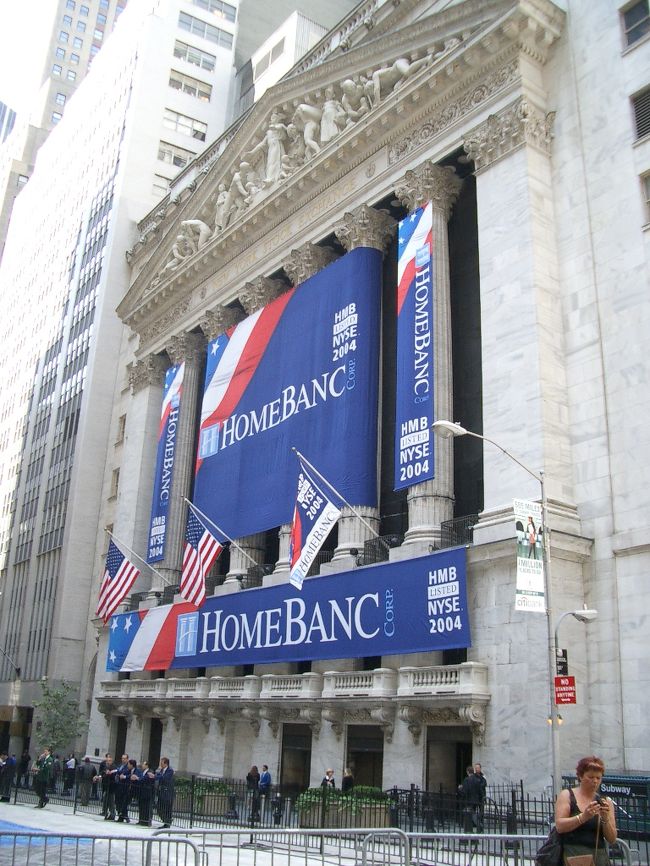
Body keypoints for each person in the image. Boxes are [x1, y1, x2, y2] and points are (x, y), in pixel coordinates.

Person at [555, 756, 617, 866]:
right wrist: (583, 817)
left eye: (598, 778)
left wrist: (605, 818)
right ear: (580, 776)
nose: (595, 781)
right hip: (574, 856)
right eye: (590, 777)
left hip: (598, 857)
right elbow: (559, 826)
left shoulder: (605, 801)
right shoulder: (567, 795)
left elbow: (612, 839)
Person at [459, 765, 483, 832]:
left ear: (468, 772)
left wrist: (460, 789)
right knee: (472, 813)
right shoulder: (477, 780)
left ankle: (478, 825)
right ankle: (470, 827)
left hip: (468, 800)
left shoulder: (467, 780)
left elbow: (464, 791)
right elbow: (480, 791)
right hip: (476, 800)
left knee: (470, 814)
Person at [97, 753, 117, 820]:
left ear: (111, 761)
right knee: (106, 800)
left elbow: (114, 775)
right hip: (106, 786)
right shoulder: (106, 767)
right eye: (107, 761)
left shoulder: (113, 767)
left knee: (111, 801)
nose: (107, 762)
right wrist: (100, 776)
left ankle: (112, 814)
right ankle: (106, 812)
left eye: (109, 761)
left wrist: (109, 773)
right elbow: (102, 772)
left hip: (111, 787)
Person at [156, 756, 175, 828]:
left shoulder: (170, 770)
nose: (160, 764)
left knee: (166, 809)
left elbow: (164, 778)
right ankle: (167, 821)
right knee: (159, 809)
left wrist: (157, 776)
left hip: (167, 793)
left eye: (162, 763)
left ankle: (167, 823)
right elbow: (158, 776)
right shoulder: (161, 770)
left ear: (166, 763)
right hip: (161, 792)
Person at [138, 761, 156, 826]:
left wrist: (138, 778)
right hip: (142, 792)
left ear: (147, 765)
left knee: (148, 807)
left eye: (144, 764)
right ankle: (142, 820)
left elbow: (145, 779)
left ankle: (147, 821)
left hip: (148, 792)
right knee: (142, 806)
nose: (142, 765)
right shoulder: (142, 771)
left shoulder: (150, 771)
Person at [115, 754, 132, 822]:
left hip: (124, 787)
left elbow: (130, 774)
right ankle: (122, 815)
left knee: (123, 803)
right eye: (122, 758)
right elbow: (117, 772)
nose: (123, 760)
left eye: (124, 758)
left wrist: (124, 776)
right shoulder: (120, 766)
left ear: (127, 759)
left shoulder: (128, 767)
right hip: (118, 786)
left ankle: (124, 816)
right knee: (118, 802)